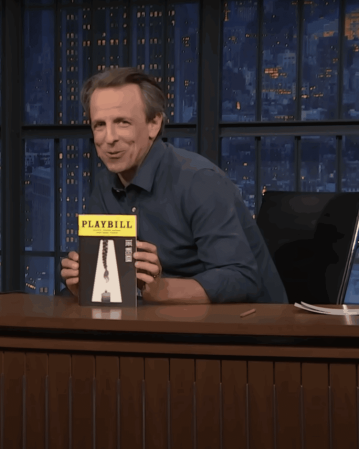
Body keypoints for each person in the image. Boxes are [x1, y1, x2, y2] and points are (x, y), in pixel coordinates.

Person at [60, 67, 287, 304]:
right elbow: (113, 283)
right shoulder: (105, 183)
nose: (109, 138)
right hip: (156, 322)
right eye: (99, 125)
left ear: (154, 124)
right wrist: (86, 283)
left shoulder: (200, 181)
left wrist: (162, 289)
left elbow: (243, 279)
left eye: (122, 122)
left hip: (247, 326)